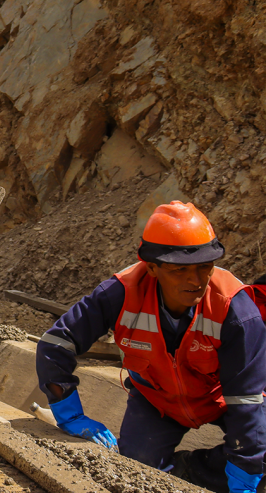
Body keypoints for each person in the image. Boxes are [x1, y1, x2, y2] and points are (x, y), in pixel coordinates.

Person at [36, 202, 266, 493]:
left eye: (204, 267)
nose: (195, 281)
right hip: (157, 400)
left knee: (258, 457)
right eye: (179, 270)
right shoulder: (120, 293)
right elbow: (55, 344)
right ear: (153, 267)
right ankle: (175, 471)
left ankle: (195, 471)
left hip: (220, 399)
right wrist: (70, 416)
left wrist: (244, 471)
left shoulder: (235, 309)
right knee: (135, 470)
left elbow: (246, 401)